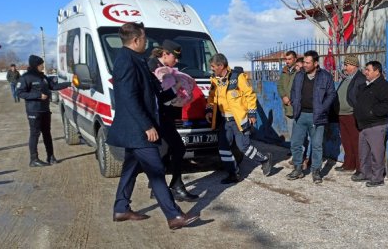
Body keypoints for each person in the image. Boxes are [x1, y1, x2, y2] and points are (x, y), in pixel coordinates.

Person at [106, 22, 198, 230]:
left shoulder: (136, 60)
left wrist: (176, 92)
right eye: (144, 38)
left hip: (136, 129)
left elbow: (151, 93)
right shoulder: (125, 61)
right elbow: (128, 98)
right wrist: (147, 125)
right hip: (137, 129)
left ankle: (121, 208)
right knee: (156, 170)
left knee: (130, 168)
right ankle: (174, 216)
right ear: (136, 40)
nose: (147, 42)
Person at [205, 53, 273, 184]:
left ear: (221, 65)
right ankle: (233, 173)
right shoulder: (214, 79)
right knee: (223, 149)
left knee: (243, 147)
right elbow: (212, 97)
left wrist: (252, 114)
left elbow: (250, 95)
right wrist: (209, 110)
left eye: (213, 66)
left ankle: (264, 159)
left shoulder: (238, 77)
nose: (211, 69)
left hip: (238, 120)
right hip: (224, 121)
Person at [147, 40, 198, 202]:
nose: (177, 61)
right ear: (164, 54)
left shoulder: (166, 69)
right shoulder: (153, 68)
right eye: (174, 57)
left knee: (167, 150)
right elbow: (155, 96)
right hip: (158, 117)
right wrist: (176, 89)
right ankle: (175, 186)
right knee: (175, 148)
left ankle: (158, 187)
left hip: (167, 116)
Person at [286, 50, 336, 184]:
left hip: (317, 116)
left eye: (308, 63)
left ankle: (316, 171)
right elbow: (294, 91)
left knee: (317, 145)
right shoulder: (299, 75)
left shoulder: (325, 76)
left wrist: (322, 108)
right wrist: (294, 102)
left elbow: (331, 94)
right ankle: (297, 169)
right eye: (304, 62)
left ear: (315, 63)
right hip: (300, 115)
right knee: (296, 143)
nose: (305, 65)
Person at [16, 55, 71, 167]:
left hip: (45, 110)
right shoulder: (26, 77)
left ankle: (50, 156)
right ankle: (34, 159)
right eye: (41, 64)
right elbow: (20, 93)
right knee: (35, 134)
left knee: (47, 134)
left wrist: (70, 84)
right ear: (36, 65)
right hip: (34, 111)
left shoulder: (43, 77)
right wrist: (38, 95)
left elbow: (54, 87)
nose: (43, 66)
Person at [352, 61, 388, 187]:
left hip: (376, 124)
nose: (365, 72)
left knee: (377, 153)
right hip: (364, 125)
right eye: (365, 69)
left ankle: (377, 178)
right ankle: (366, 173)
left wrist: (372, 112)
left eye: (368, 70)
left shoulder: (383, 86)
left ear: (377, 71)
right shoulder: (365, 85)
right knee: (364, 152)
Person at [334, 54, 366, 173]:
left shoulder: (360, 78)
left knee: (356, 141)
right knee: (346, 142)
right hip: (342, 114)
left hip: (352, 115)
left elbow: (361, 97)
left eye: (346, 65)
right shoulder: (346, 78)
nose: (345, 67)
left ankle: (359, 167)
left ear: (353, 65)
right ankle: (348, 164)